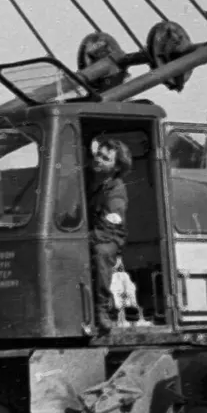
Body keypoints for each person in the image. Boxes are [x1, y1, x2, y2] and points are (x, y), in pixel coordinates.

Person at [89, 136, 132, 331]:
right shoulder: (95, 182)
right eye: (99, 155)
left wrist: (87, 238)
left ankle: (101, 310)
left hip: (109, 237)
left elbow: (110, 225)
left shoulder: (116, 191)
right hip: (94, 233)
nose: (99, 159)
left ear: (116, 167)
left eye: (106, 158)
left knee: (102, 253)